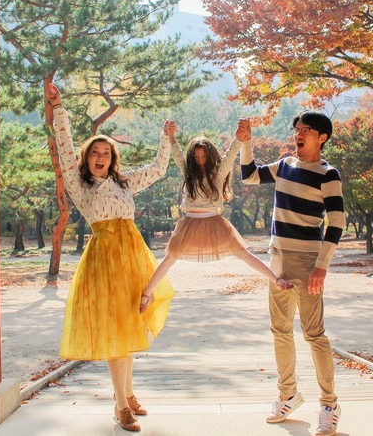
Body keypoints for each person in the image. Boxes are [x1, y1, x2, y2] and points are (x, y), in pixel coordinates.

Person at [47, 83, 175, 433]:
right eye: (95, 153)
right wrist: (59, 108)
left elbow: (158, 169)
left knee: (129, 325)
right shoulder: (80, 185)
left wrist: (166, 138)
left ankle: (128, 394)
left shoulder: (124, 183)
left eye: (106, 152)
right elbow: (64, 147)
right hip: (104, 261)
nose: (100, 156)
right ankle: (120, 407)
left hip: (132, 257)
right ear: (87, 158)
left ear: (112, 158)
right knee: (116, 330)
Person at [236, 112, 345, 436]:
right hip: (278, 260)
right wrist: (247, 142)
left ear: (321, 137)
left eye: (306, 130)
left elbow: (337, 222)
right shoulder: (284, 166)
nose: (299, 133)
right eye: (297, 129)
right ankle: (288, 395)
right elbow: (249, 176)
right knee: (280, 330)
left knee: (314, 334)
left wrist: (322, 266)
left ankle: (329, 404)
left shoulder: (328, 174)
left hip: (308, 261)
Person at [140, 127, 292, 313]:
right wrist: (170, 135)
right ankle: (146, 295)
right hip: (189, 222)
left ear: (210, 155)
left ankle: (277, 279)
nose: (200, 160)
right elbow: (178, 154)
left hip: (214, 222)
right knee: (170, 258)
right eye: (196, 157)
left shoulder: (219, 171)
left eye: (203, 156)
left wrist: (238, 138)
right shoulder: (187, 171)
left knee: (243, 253)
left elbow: (230, 155)